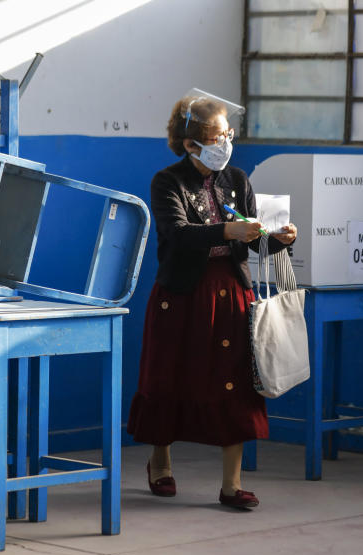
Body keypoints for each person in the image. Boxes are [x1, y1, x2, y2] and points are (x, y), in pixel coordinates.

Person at [126, 90, 297, 509]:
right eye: (218, 136)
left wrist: (279, 241)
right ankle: (161, 462)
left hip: (232, 293)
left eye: (228, 134)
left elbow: (254, 239)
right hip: (182, 296)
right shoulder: (167, 181)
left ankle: (231, 484)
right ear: (190, 144)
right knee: (169, 378)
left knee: (235, 384)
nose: (227, 143)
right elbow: (176, 233)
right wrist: (225, 232)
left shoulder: (237, 179)